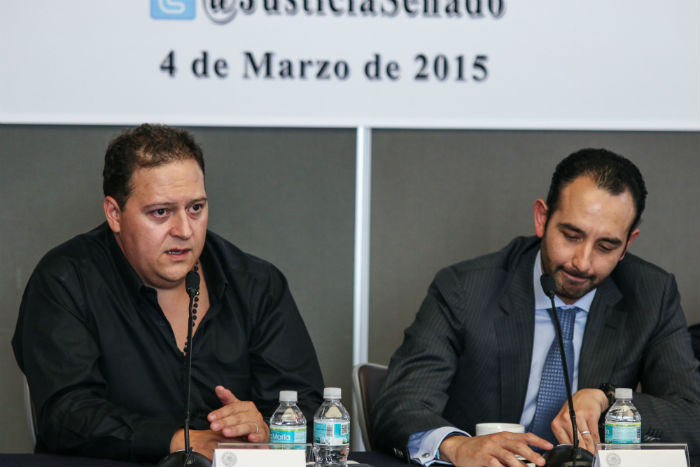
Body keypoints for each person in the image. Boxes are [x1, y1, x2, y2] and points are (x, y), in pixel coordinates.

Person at [12, 124, 324, 463]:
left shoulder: (257, 284)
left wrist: (265, 428)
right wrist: (182, 441)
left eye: (196, 209)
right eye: (160, 212)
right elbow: (66, 416)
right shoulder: (65, 279)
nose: (184, 230)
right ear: (114, 214)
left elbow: (306, 405)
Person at [371, 149, 700, 467]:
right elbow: (401, 403)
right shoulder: (465, 289)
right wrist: (458, 447)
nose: (582, 262)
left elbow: (692, 417)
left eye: (606, 246)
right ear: (542, 218)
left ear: (627, 243)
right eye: (571, 235)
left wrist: (608, 400)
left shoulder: (650, 294)